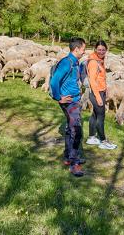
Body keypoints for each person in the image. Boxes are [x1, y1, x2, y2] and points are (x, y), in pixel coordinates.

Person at [50, 37, 86, 177]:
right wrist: (59, 98)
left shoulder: (75, 62)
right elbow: (54, 82)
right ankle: (74, 163)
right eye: (83, 49)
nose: (84, 52)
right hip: (69, 103)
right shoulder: (67, 63)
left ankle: (67, 156)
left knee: (70, 129)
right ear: (76, 49)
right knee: (76, 132)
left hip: (74, 101)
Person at [85, 40, 117, 150]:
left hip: (100, 91)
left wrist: (105, 89)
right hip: (96, 93)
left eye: (103, 50)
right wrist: (98, 97)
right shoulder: (94, 62)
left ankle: (91, 137)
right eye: (99, 49)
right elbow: (92, 81)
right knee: (101, 116)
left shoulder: (100, 60)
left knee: (95, 114)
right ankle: (103, 141)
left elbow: (101, 78)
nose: (101, 51)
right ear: (95, 49)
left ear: (106, 50)